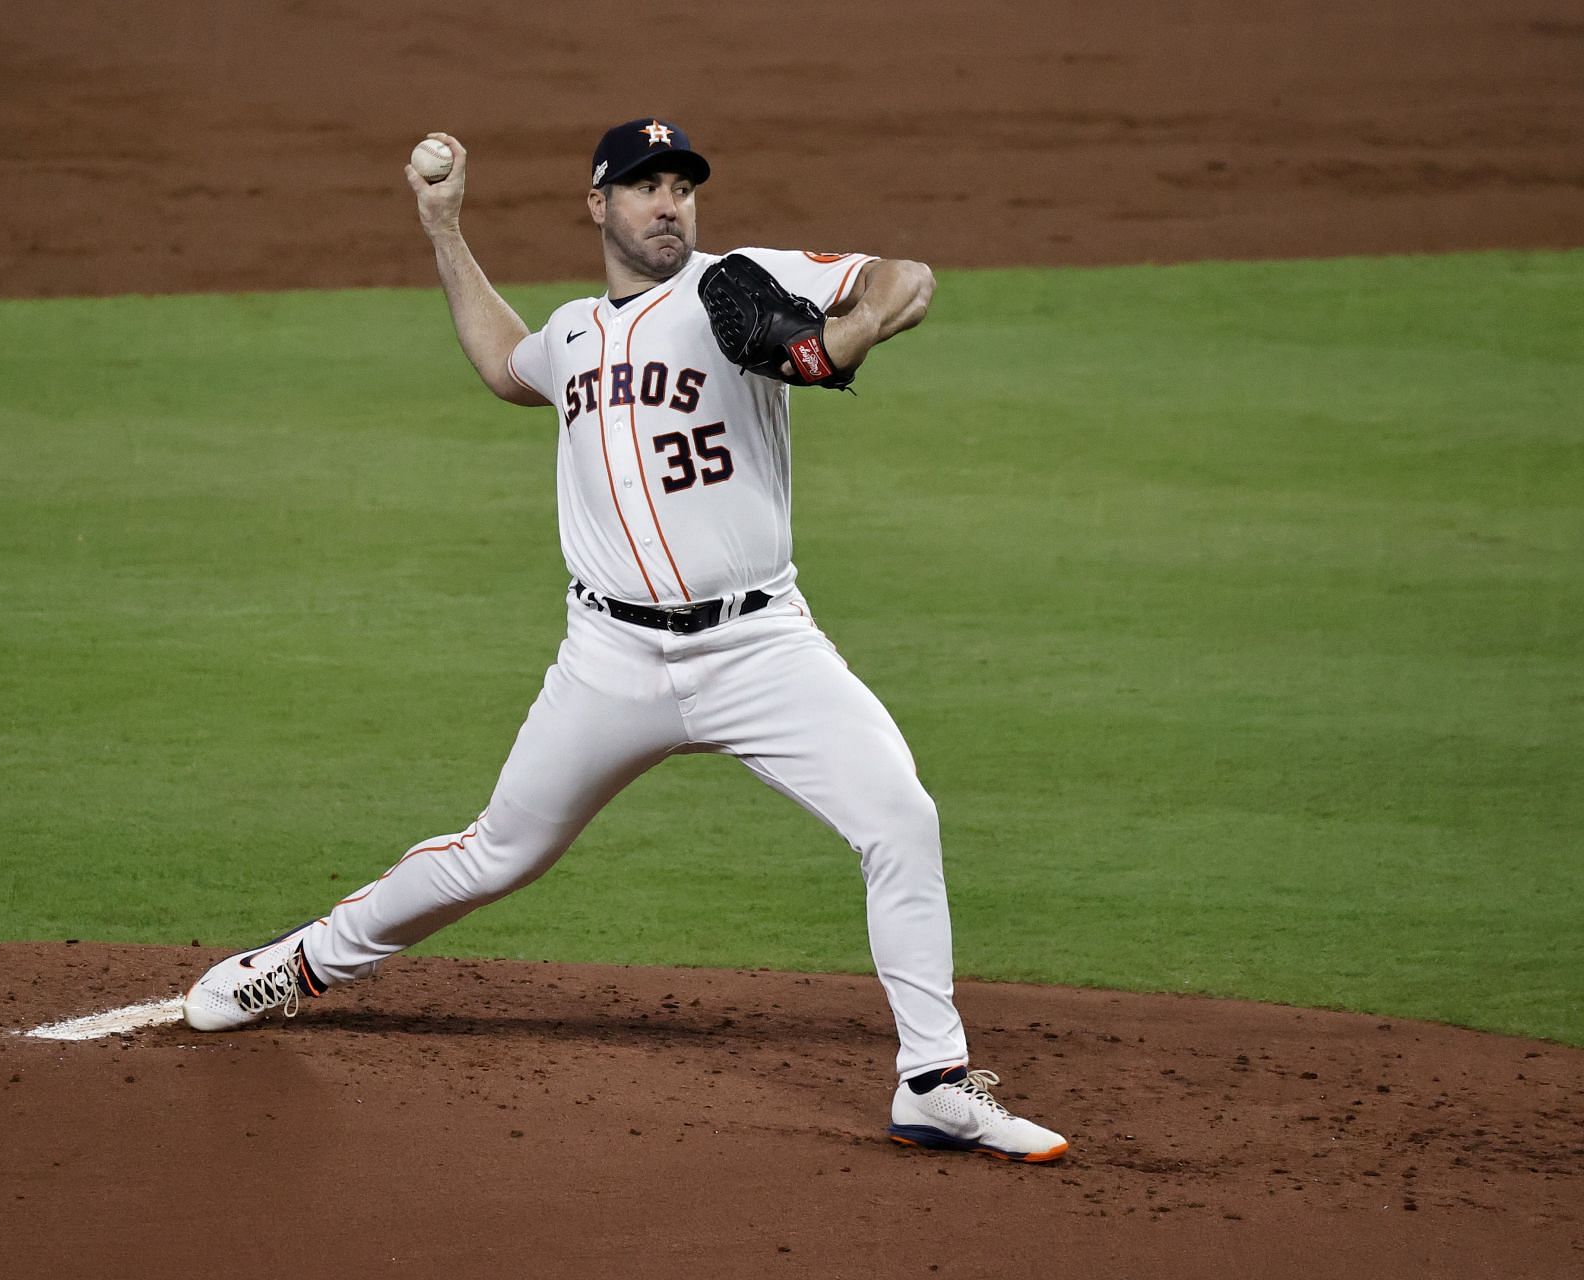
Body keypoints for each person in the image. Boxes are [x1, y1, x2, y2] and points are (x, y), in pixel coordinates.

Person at [183, 119, 1069, 1162]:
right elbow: (505, 367)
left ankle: (933, 1082)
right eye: (644, 187)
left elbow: (903, 277)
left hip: (760, 649)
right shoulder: (569, 336)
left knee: (900, 817)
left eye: (682, 187)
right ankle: (300, 963)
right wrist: (444, 228)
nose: (669, 204)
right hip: (609, 661)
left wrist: (838, 337)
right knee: (495, 853)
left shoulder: (732, 283)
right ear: (597, 206)